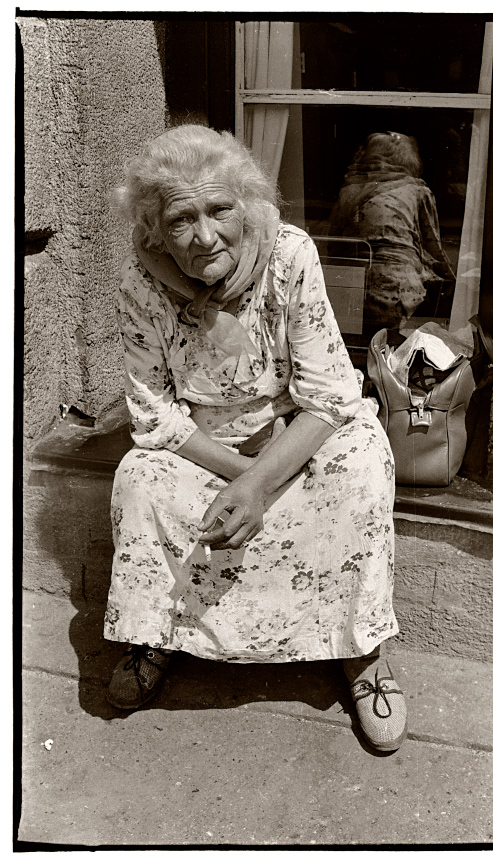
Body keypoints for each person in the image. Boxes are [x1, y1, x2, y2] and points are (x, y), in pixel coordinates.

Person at [104, 123, 406, 753]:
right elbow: (156, 415)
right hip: (206, 447)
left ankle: (360, 650)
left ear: (247, 205)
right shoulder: (138, 282)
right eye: (181, 219)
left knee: (362, 464)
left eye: (221, 209)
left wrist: (257, 483)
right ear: (155, 227)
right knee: (139, 478)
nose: (206, 235)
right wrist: (236, 474)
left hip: (296, 435)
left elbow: (327, 397)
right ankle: (158, 634)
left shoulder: (290, 255)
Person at [329, 131, 455, 331]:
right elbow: (433, 247)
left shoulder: (347, 191)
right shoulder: (417, 191)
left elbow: (333, 243)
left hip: (349, 289)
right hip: (399, 292)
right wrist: (457, 281)